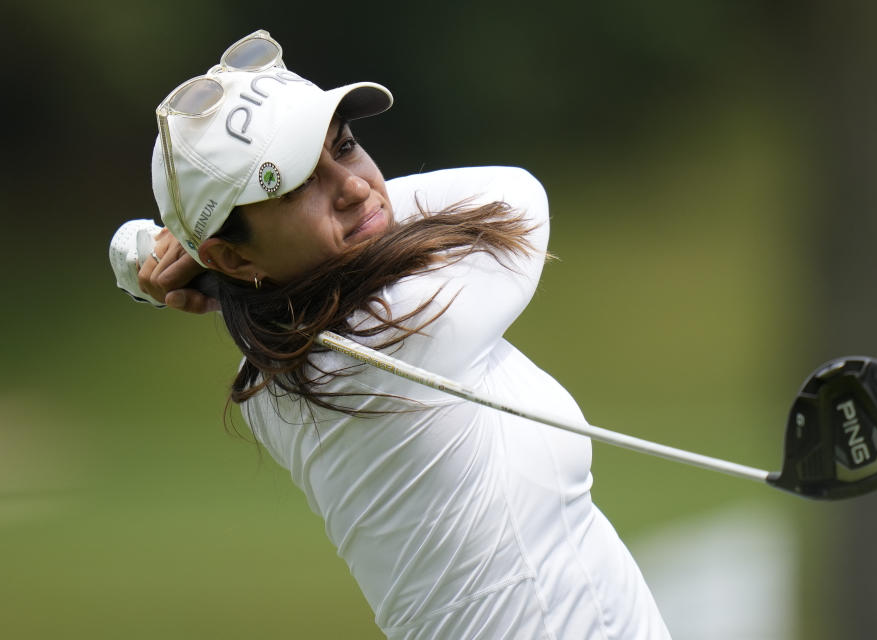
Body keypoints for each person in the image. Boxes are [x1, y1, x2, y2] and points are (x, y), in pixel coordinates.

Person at [116, 29, 671, 639]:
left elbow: (256, 259)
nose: (354, 187)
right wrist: (196, 252)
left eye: (346, 147)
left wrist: (199, 253)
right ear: (236, 259)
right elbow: (517, 197)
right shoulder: (401, 327)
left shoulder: (270, 375)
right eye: (300, 184)